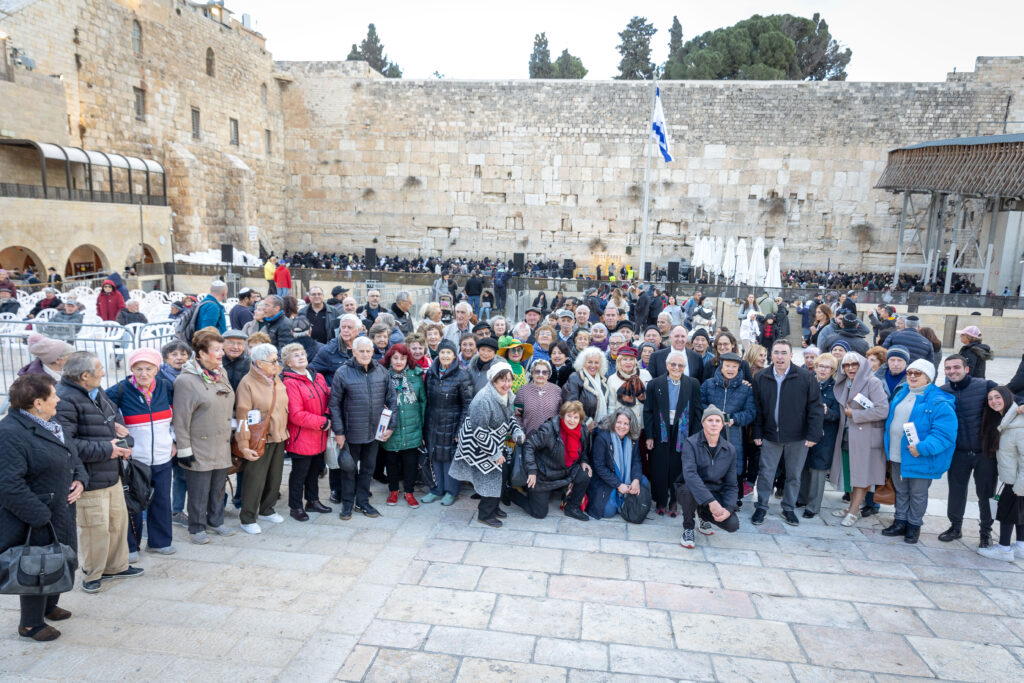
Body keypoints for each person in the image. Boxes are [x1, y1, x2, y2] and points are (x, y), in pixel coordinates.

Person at [0, 374, 85, 641]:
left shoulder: (51, 422)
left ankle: (49, 606)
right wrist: (41, 516)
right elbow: (8, 484)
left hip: (60, 509)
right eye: (54, 395)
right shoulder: (10, 433)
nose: (58, 399)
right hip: (35, 515)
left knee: (58, 558)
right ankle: (30, 624)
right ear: (38, 403)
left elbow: (71, 455)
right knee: (37, 565)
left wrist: (80, 479)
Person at [55, 351, 142, 592]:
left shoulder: (95, 391)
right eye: (100, 368)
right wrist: (108, 449)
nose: (104, 372)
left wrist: (124, 439)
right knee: (95, 528)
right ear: (85, 376)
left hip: (111, 472)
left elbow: (114, 417)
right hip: (90, 477)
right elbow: (67, 443)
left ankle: (117, 566)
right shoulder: (65, 400)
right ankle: (92, 574)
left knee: (117, 522)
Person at [107, 348, 176, 560]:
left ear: (157, 369)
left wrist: (174, 440)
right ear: (131, 370)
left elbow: (175, 415)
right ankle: (131, 547)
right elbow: (103, 413)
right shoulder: (119, 390)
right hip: (135, 459)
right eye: (138, 369)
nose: (143, 373)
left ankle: (160, 542)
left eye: (148, 368)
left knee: (162, 500)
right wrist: (117, 431)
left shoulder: (165, 386)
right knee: (134, 502)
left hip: (163, 455)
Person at [881, 359, 958, 544]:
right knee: (901, 490)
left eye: (918, 373)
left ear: (928, 377)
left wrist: (922, 448)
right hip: (898, 453)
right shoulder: (902, 393)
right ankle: (900, 521)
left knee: (918, 493)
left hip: (920, 455)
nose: (912, 376)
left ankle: (913, 526)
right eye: (910, 373)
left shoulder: (939, 401)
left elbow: (944, 433)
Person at [172, 328, 237, 545]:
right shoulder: (186, 381)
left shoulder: (221, 372)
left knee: (218, 486)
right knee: (199, 490)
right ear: (200, 353)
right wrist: (184, 449)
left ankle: (216, 521)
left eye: (221, 349)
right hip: (199, 445)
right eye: (216, 349)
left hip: (221, 442)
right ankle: (197, 527)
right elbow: (180, 419)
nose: (221, 353)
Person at [750, 340, 824, 527]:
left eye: (784, 353)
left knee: (793, 475)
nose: (780, 357)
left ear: (791, 355)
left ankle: (788, 508)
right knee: (766, 473)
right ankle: (761, 506)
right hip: (769, 435)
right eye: (776, 352)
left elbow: (815, 408)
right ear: (771, 355)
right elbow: (757, 408)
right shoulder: (761, 377)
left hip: (798, 437)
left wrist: (813, 435)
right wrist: (757, 432)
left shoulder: (806, 377)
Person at [449, 362, 525, 528]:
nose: (506, 384)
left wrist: (517, 431)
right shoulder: (483, 399)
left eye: (509, 380)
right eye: (502, 380)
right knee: (490, 477)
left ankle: (494, 506)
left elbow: (510, 417)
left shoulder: (507, 394)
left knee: (500, 474)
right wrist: (495, 453)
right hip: (477, 444)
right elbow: (479, 432)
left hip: (494, 440)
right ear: (493, 380)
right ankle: (485, 514)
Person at [329, 337, 397, 519]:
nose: (365, 354)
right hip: (351, 432)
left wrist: (391, 426)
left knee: (368, 469)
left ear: (372, 352)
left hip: (375, 432)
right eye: (361, 351)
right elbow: (334, 404)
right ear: (354, 352)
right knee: (349, 469)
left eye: (368, 351)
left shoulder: (382, 371)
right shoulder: (343, 373)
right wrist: (339, 432)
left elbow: (391, 400)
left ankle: (363, 502)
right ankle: (347, 504)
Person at [938, 354, 998, 546]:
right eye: (948, 368)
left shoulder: (985, 385)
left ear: (966, 369)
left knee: (986, 494)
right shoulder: (943, 391)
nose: (952, 371)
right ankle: (955, 527)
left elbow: (1007, 398)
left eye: (956, 367)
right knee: (956, 491)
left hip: (984, 453)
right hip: (958, 453)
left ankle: (985, 533)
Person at [828, 352, 890, 527]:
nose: (850, 368)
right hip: (848, 435)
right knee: (852, 474)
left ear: (862, 365)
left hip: (866, 437)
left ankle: (854, 512)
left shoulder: (873, 382)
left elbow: (882, 410)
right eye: (846, 365)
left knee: (862, 475)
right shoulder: (845, 383)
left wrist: (855, 414)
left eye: (854, 364)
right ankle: (850, 507)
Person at [234, 343, 289, 534]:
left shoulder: (276, 379)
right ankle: (248, 517)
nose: (277, 363)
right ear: (259, 363)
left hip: (279, 436)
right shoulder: (247, 383)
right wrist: (243, 443)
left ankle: (267, 509)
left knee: (275, 477)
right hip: (259, 438)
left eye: (277, 359)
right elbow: (242, 416)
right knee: (255, 479)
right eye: (273, 360)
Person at [644, 350, 702, 516]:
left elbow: (697, 412)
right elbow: (647, 411)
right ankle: (661, 500)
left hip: (683, 431)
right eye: (673, 364)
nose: (676, 367)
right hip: (660, 430)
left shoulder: (693, 384)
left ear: (684, 367)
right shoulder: (655, 384)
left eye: (680, 365)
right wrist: (649, 435)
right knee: (659, 466)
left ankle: (674, 501)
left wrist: (694, 436)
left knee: (678, 466)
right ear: (667, 365)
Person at [513, 401, 593, 521]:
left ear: (580, 419)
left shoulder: (582, 429)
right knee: (539, 513)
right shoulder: (549, 428)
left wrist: (584, 461)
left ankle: (572, 508)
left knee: (585, 473)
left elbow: (584, 450)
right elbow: (529, 445)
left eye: (576, 417)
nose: (572, 420)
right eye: (569, 416)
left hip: (566, 471)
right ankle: (510, 493)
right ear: (562, 415)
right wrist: (532, 471)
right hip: (545, 475)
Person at [279, 343, 333, 521]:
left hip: (319, 434)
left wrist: (327, 415)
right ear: (288, 362)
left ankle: (313, 500)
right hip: (302, 436)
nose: (301, 357)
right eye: (295, 355)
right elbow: (296, 415)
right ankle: (295, 506)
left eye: (302, 353)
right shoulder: (290, 382)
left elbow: (327, 399)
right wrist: (322, 422)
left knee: (314, 470)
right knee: (299, 473)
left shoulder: (317, 377)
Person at [676, 406, 741, 548]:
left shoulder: (730, 449)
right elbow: (690, 475)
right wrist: (712, 502)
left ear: (723, 424)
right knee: (687, 490)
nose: (714, 423)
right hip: (691, 490)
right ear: (703, 423)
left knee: (732, 525)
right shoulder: (691, 443)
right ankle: (688, 528)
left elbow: (731, 485)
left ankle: (703, 515)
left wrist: (728, 509)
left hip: (715, 493)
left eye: (718, 420)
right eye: (710, 420)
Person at [421, 340, 474, 505]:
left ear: (454, 355)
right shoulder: (431, 373)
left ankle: (451, 491)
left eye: (448, 353)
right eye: (442, 352)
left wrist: (460, 430)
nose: (445, 356)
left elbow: (467, 405)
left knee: (449, 459)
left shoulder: (462, 375)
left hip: (452, 422)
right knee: (434, 456)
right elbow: (426, 400)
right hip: (433, 421)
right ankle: (436, 489)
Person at [700, 352, 755, 497]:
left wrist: (733, 419)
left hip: (734, 432)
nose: (730, 369)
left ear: (739, 368)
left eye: (734, 366)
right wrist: (713, 416)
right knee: (709, 463)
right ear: (721, 367)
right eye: (727, 366)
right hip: (710, 431)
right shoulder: (708, 384)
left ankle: (733, 498)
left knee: (733, 465)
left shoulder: (746, 388)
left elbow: (750, 412)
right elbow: (700, 404)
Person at [979, 386, 1024, 561]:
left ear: (1007, 397)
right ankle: (1020, 546)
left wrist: (1020, 485)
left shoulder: (1018, 423)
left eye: (998, 397)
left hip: (1017, 480)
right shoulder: (1007, 420)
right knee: (1020, 512)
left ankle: (1004, 549)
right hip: (1013, 477)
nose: (994, 402)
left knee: (1007, 513)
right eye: (990, 399)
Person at [380, 344, 426, 508]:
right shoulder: (383, 375)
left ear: (408, 359)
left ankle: (409, 492)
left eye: (403, 358)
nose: (399, 361)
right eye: (395, 358)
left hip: (412, 425)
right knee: (391, 460)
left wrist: (422, 429)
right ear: (390, 359)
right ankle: (393, 490)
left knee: (410, 461)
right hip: (391, 426)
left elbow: (422, 402)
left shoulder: (417, 375)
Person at [799, 353, 840, 518]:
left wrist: (826, 411)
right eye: (821, 366)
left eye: (828, 367)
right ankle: (801, 498)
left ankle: (813, 506)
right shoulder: (806, 382)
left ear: (833, 371)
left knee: (818, 469)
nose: (823, 370)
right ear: (815, 367)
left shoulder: (836, 389)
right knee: (803, 466)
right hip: (804, 431)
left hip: (825, 434)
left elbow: (838, 414)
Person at [587, 409, 646, 520]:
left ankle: (626, 496)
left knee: (644, 482)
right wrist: (618, 484)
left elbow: (636, 460)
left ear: (630, 425)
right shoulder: (603, 437)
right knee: (608, 512)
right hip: (605, 480)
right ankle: (623, 497)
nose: (621, 426)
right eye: (619, 422)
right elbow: (599, 467)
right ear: (614, 421)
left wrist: (636, 480)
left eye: (626, 424)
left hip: (625, 479)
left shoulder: (632, 438)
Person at [564, 346, 609, 432]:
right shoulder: (575, 378)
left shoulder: (603, 380)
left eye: (596, 362)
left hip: (601, 428)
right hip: (582, 427)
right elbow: (571, 404)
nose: (593, 365)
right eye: (589, 362)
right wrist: (587, 421)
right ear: (583, 362)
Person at [606, 345, 650, 424]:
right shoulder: (612, 379)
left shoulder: (646, 374)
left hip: (645, 423)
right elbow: (611, 406)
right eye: (624, 359)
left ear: (635, 361)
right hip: (625, 426)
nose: (628, 362)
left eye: (631, 359)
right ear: (619, 361)